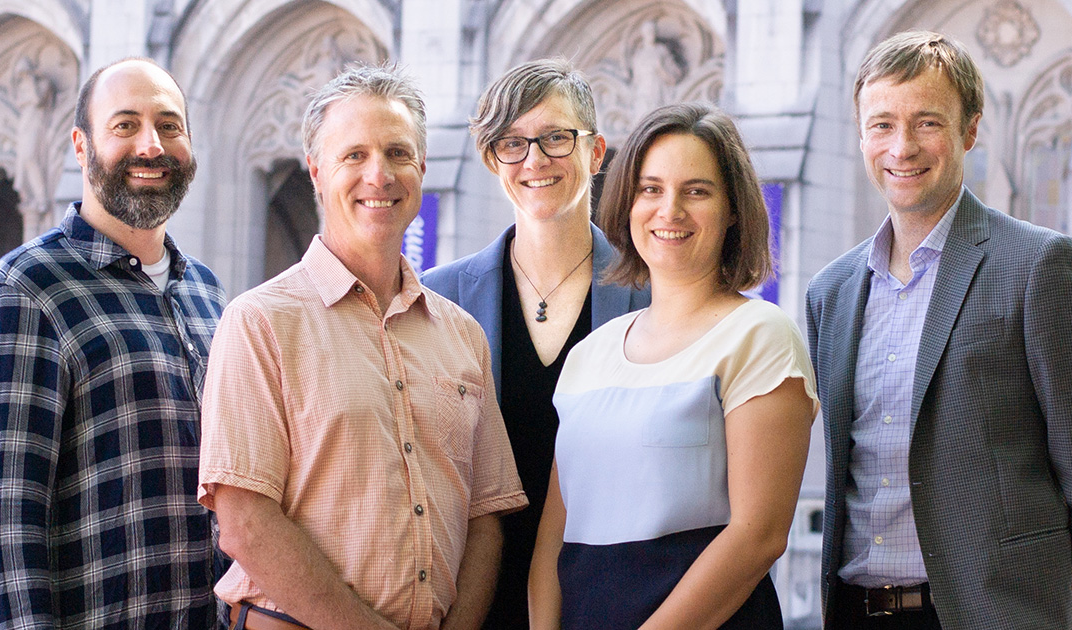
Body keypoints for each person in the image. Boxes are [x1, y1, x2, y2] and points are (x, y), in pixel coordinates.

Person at [805, 30, 1072, 630]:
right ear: (860, 135)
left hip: (999, 614)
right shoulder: (831, 292)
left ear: (970, 130)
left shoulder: (1040, 267)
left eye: (926, 122)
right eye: (881, 125)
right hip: (857, 611)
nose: (901, 147)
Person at [197, 64, 527, 630]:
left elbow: (485, 516)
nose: (380, 175)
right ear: (317, 171)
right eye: (354, 156)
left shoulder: (461, 334)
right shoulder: (259, 322)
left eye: (398, 153)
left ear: (422, 167)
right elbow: (245, 522)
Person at [529, 102, 819, 630]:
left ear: (733, 209)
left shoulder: (758, 336)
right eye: (651, 188)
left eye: (697, 191)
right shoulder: (588, 356)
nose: (670, 210)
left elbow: (758, 536)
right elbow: (552, 542)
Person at [0, 58, 223, 628]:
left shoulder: (207, 292)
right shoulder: (25, 290)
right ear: (81, 146)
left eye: (169, 125)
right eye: (125, 125)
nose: (151, 145)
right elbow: (3, 528)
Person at [422, 57, 649, 627]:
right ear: (491, 159)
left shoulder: (651, 290)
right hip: (473, 597)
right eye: (513, 143)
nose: (535, 160)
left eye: (555, 137)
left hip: (619, 595)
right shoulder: (436, 297)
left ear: (595, 152)